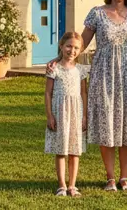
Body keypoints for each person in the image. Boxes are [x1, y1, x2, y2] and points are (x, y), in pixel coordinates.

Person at [49, 0, 127, 192]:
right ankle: (110, 178)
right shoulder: (97, 13)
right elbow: (79, 43)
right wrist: (59, 58)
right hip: (103, 75)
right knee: (107, 123)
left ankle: (124, 177)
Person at [44, 31, 89, 197]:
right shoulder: (54, 69)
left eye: (76, 47)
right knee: (61, 149)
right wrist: (50, 115)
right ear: (61, 46)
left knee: (74, 150)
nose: (72, 50)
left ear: (81, 50)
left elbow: (84, 93)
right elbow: (48, 93)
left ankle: (72, 185)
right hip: (60, 112)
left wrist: (85, 116)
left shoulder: (81, 70)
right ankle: (62, 185)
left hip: (76, 113)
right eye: (69, 46)